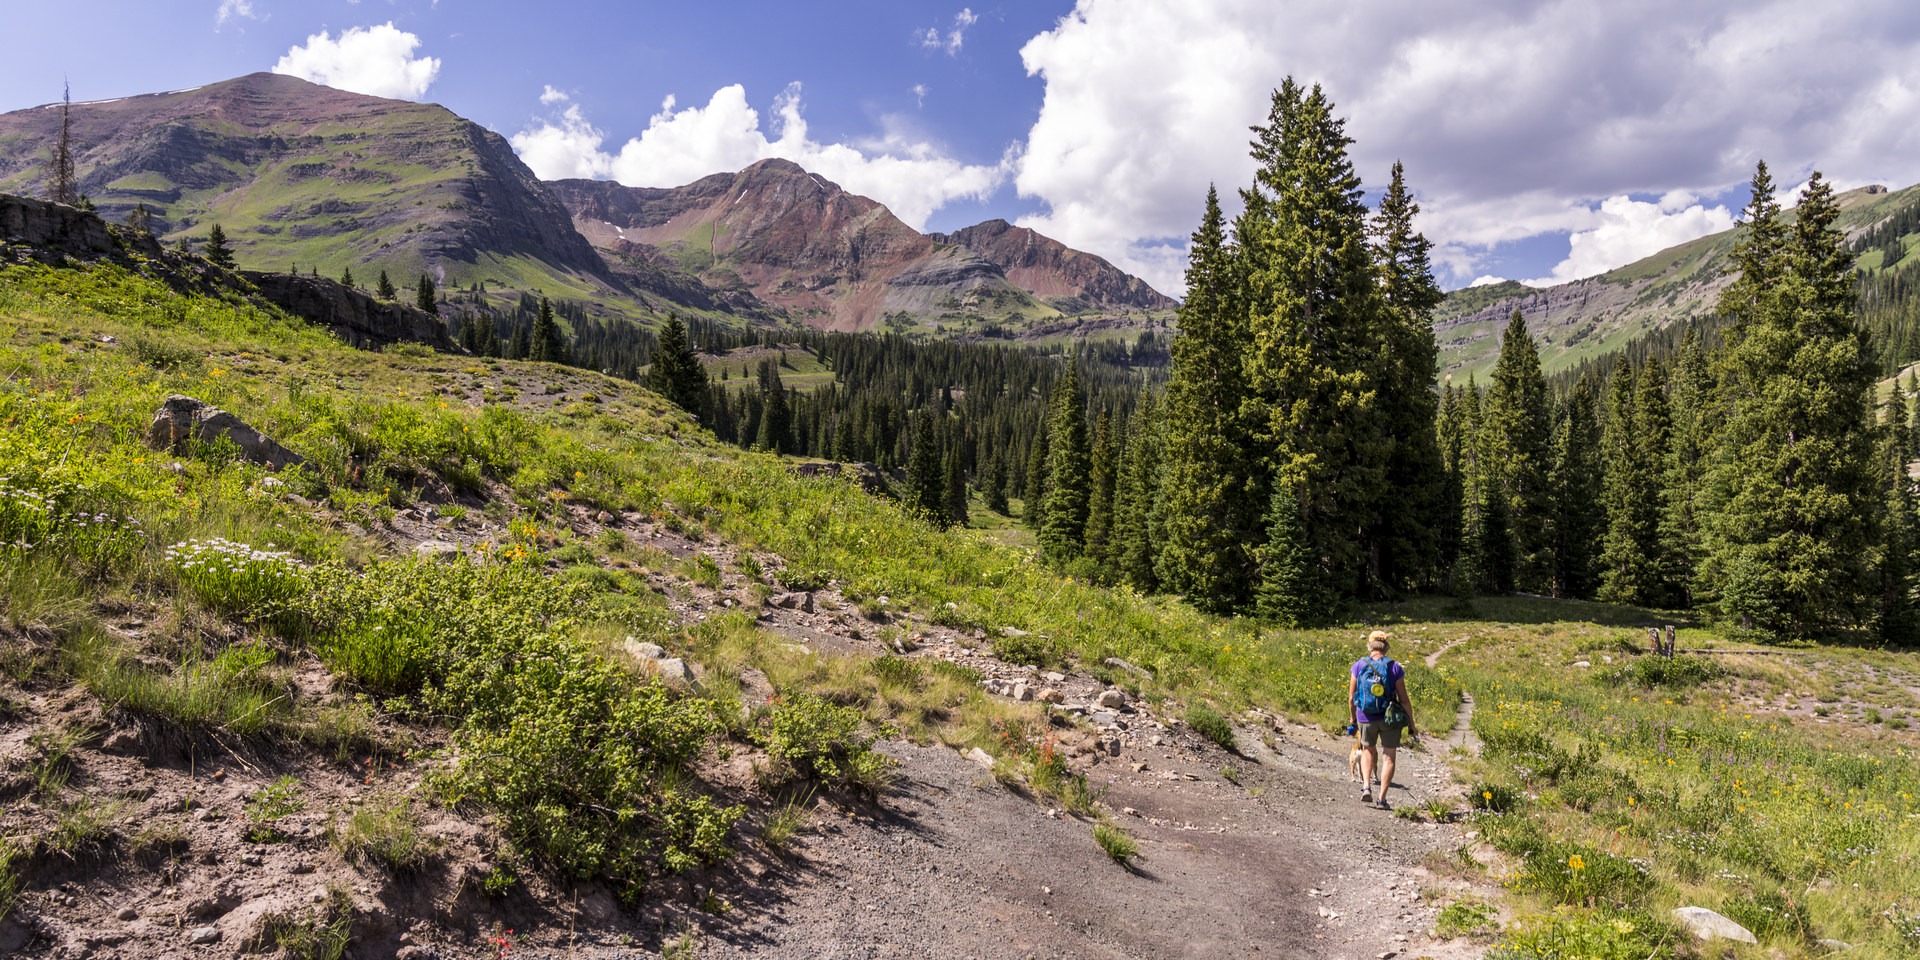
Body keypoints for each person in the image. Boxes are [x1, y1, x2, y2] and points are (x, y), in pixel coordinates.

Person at [1349, 630, 1416, 809]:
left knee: (1368, 751)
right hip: (1389, 717)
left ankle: (1366, 788)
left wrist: (1353, 719)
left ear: (1370, 645)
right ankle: (1382, 799)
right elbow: (1404, 699)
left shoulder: (1359, 665)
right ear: (1386, 646)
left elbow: (1351, 697)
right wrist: (1411, 723)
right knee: (1389, 757)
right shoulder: (1394, 667)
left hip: (1365, 716)